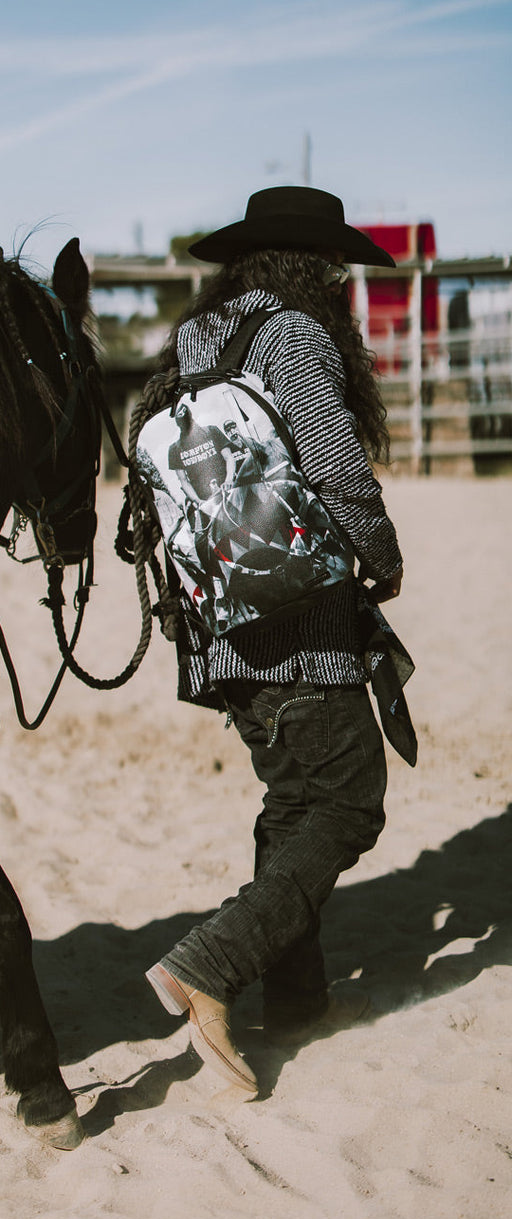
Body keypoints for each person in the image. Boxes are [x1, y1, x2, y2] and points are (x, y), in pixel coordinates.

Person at [142, 186, 410, 1095]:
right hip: (303, 622)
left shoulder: (193, 347)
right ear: (314, 269)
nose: (340, 285)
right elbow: (335, 467)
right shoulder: (293, 337)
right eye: (335, 270)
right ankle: (208, 966)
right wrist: (383, 556)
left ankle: (296, 996)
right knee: (346, 802)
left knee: (295, 800)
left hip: (220, 626)